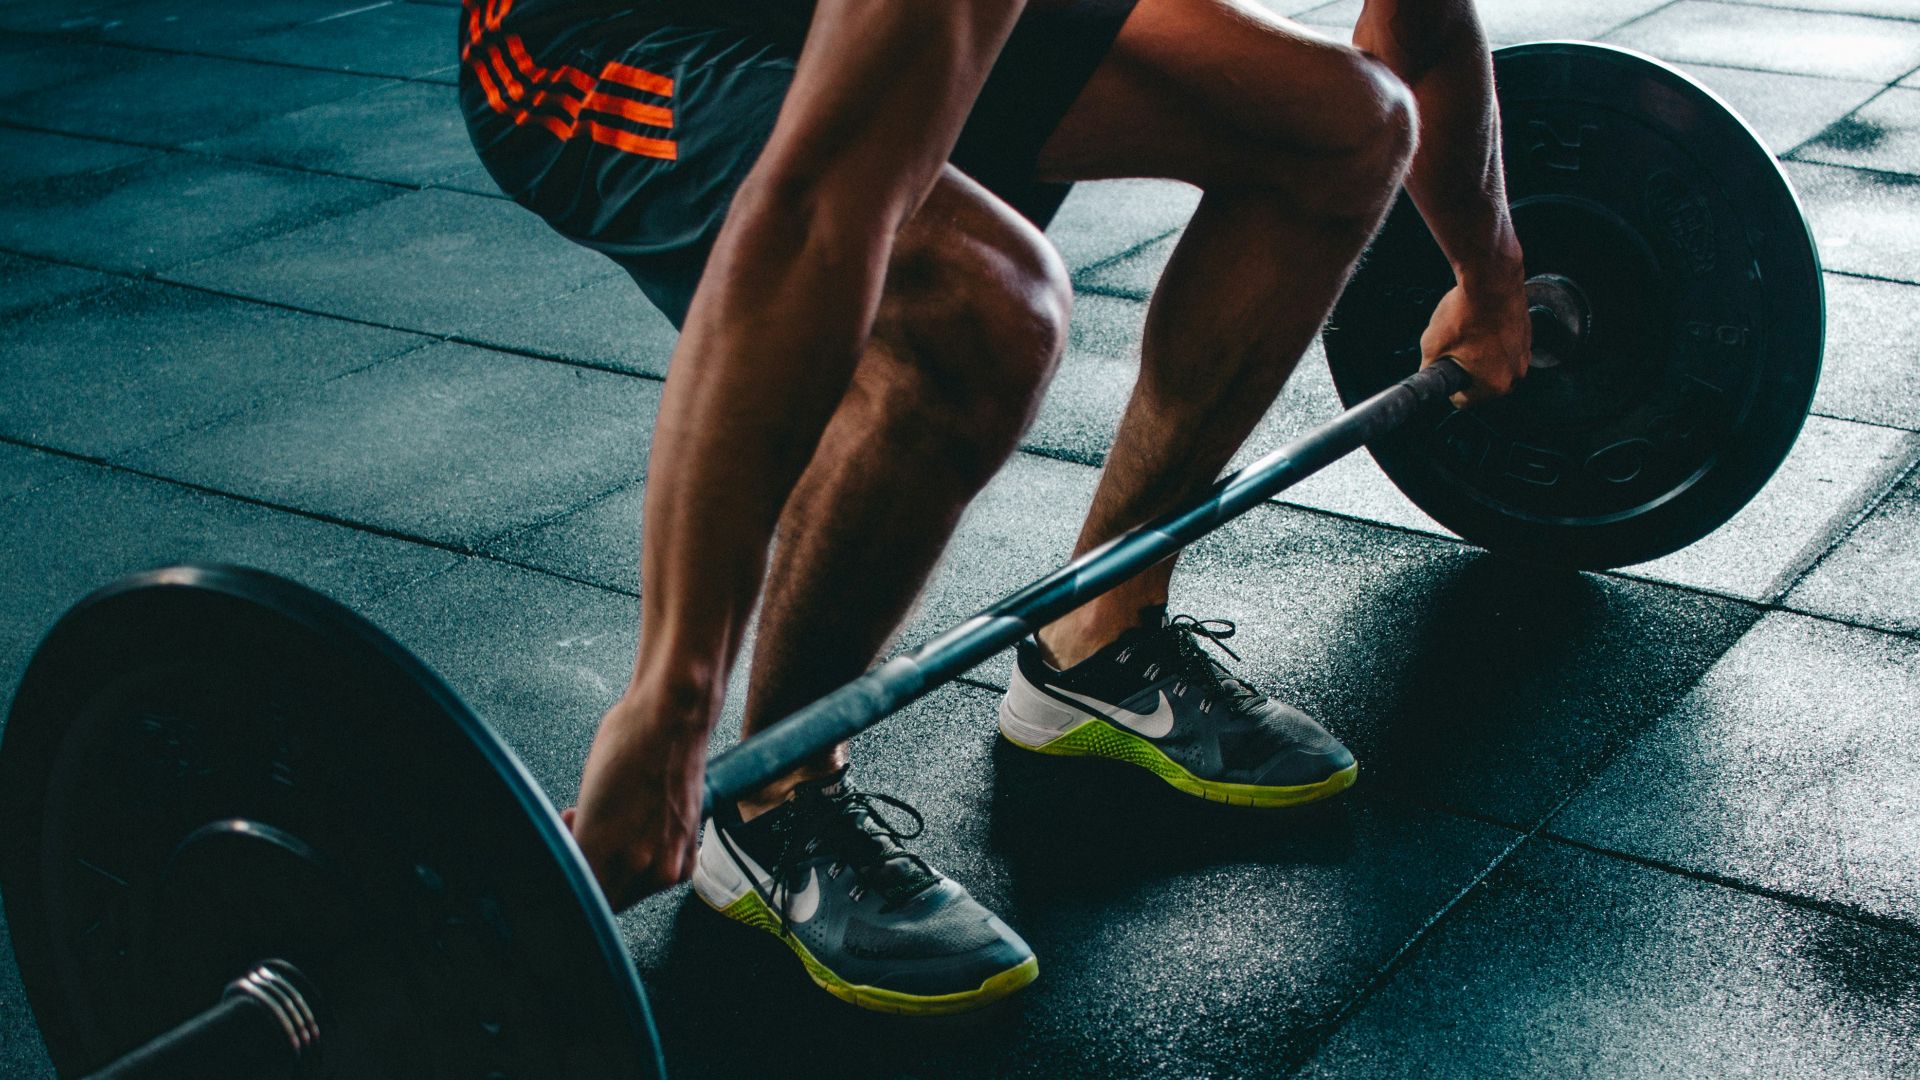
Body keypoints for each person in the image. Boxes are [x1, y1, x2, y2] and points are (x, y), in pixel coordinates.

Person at [461, 0, 1530, 1014]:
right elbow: (816, 213)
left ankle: (1098, 635)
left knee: (1345, 126)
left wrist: (1489, 276)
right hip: (602, 34)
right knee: (984, 306)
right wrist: (671, 702)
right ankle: (773, 800)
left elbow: (1422, 33)